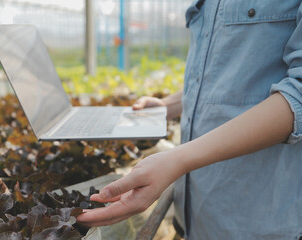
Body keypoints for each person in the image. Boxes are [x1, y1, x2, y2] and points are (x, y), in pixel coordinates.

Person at [77, 0, 302, 239]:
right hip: (198, 212)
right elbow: (226, 76)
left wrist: (177, 161)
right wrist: (168, 106)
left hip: (256, 219)